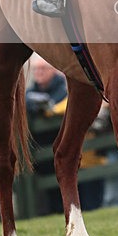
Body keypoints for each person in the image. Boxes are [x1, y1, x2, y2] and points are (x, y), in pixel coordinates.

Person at [26, 56, 68, 215]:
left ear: (52, 70)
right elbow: (26, 102)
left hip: (59, 142)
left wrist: (41, 107)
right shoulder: (32, 90)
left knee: (59, 184)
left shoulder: (62, 86)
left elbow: (53, 106)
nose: (39, 73)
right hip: (39, 147)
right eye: (36, 69)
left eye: (43, 69)